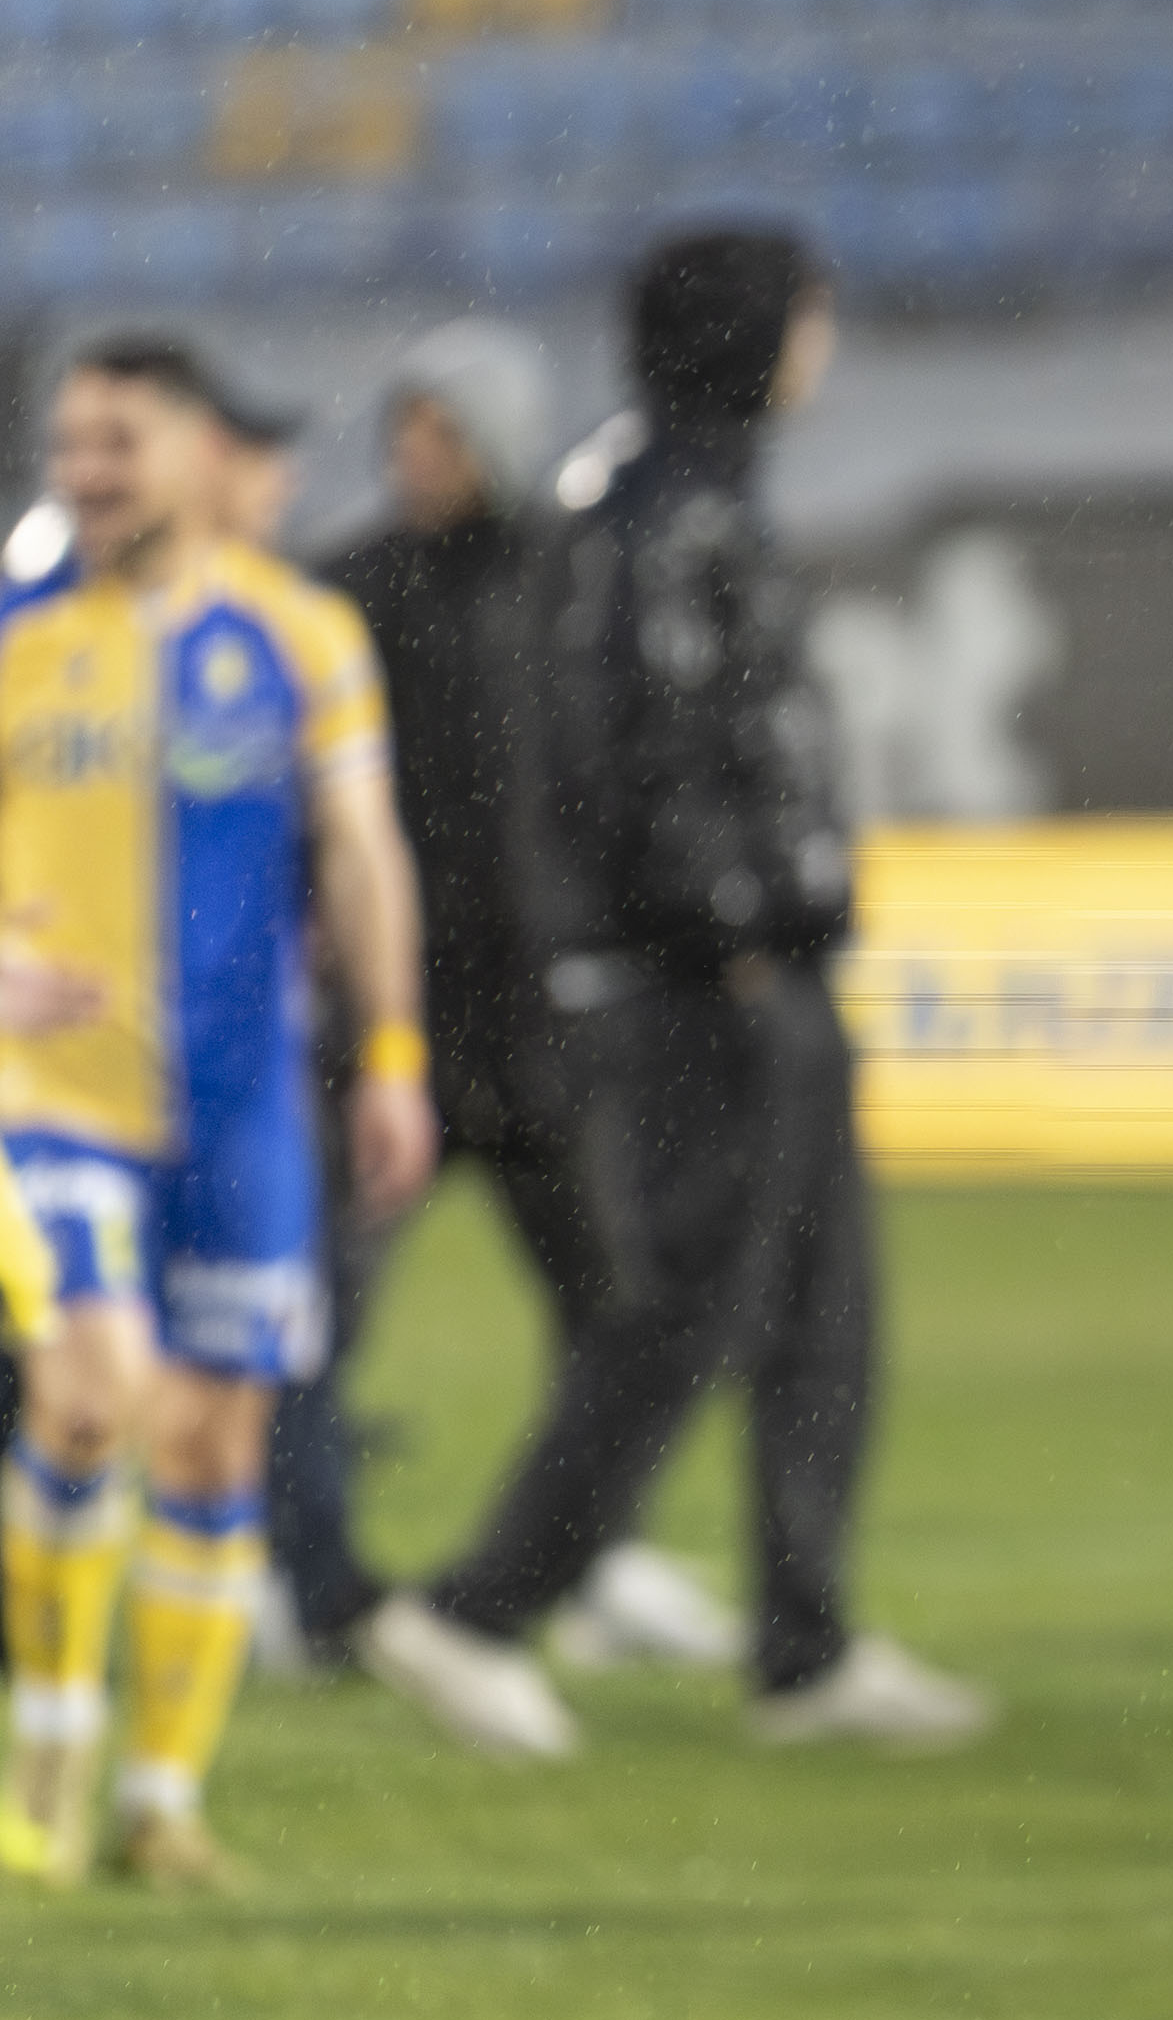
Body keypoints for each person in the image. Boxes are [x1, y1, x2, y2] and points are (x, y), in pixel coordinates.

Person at [361, 230, 987, 1759]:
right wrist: (734, 932)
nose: (820, 346)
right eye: (807, 317)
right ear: (757, 335)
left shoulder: (658, 496)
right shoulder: (661, 512)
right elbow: (646, 757)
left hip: (743, 966)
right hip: (710, 980)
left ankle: (804, 1644)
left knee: (821, 1314)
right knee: (684, 1312)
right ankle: (479, 1609)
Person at [0, 332, 437, 1888]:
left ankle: (162, 1803)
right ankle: (48, 1752)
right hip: (51, 1094)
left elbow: (364, 852)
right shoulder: (16, 623)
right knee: (89, 1392)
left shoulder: (301, 636)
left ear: (194, 456)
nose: (86, 471)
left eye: (116, 443)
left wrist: (393, 1056)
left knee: (210, 1438)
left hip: (243, 1111)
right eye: (70, 444)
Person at [261, 321, 742, 1678]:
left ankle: (590, 1559)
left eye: (442, 430)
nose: (415, 453)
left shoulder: (569, 582)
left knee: (616, 1315)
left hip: (540, 1035)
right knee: (311, 1321)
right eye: (406, 428)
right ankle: (305, 1580)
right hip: (390, 1034)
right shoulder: (348, 593)